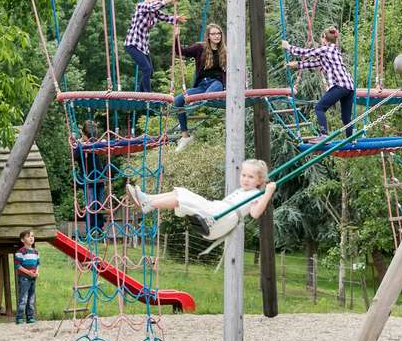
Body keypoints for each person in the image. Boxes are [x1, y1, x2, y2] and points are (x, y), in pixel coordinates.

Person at [127, 158, 276, 242]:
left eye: (251, 177)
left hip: (221, 218)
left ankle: (149, 203)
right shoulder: (243, 190)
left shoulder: (257, 194)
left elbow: (255, 214)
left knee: (183, 197)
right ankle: (148, 200)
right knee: (181, 193)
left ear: (259, 180)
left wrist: (268, 192)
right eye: (244, 175)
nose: (245, 179)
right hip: (217, 210)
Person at [282, 25, 355, 139]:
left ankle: (324, 134)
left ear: (324, 38)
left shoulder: (326, 49)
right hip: (349, 87)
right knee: (346, 117)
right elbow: (315, 63)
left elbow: (306, 52)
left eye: (321, 39)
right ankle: (352, 139)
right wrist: (297, 64)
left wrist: (288, 47)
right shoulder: (334, 50)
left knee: (319, 108)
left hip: (340, 85)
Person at [172, 23, 228, 151]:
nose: (216, 36)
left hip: (216, 83)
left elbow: (231, 71)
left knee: (208, 95)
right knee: (177, 101)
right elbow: (180, 51)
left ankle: (200, 100)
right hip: (201, 85)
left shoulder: (224, 51)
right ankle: (185, 136)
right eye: (213, 34)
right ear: (208, 36)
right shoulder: (199, 48)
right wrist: (176, 37)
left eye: (218, 33)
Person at [123, 0, 184, 93]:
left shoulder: (155, 12)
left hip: (142, 46)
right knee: (146, 69)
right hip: (132, 44)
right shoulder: (142, 6)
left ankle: (140, 94)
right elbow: (153, 6)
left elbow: (165, 17)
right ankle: (147, 93)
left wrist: (176, 18)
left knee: (149, 71)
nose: (159, 2)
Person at [14, 229, 40, 325]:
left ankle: (30, 317)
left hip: (33, 278)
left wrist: (36, 272)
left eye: (32, 236)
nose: (31, 238)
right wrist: (28, 272)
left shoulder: (35, 252)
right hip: (24, 278)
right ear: (22, 240)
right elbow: (18, 266)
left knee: (31, 298)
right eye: (29, 236)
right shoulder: (21, 252)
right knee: (23, 298)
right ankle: (20, 317)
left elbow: (38, 264)